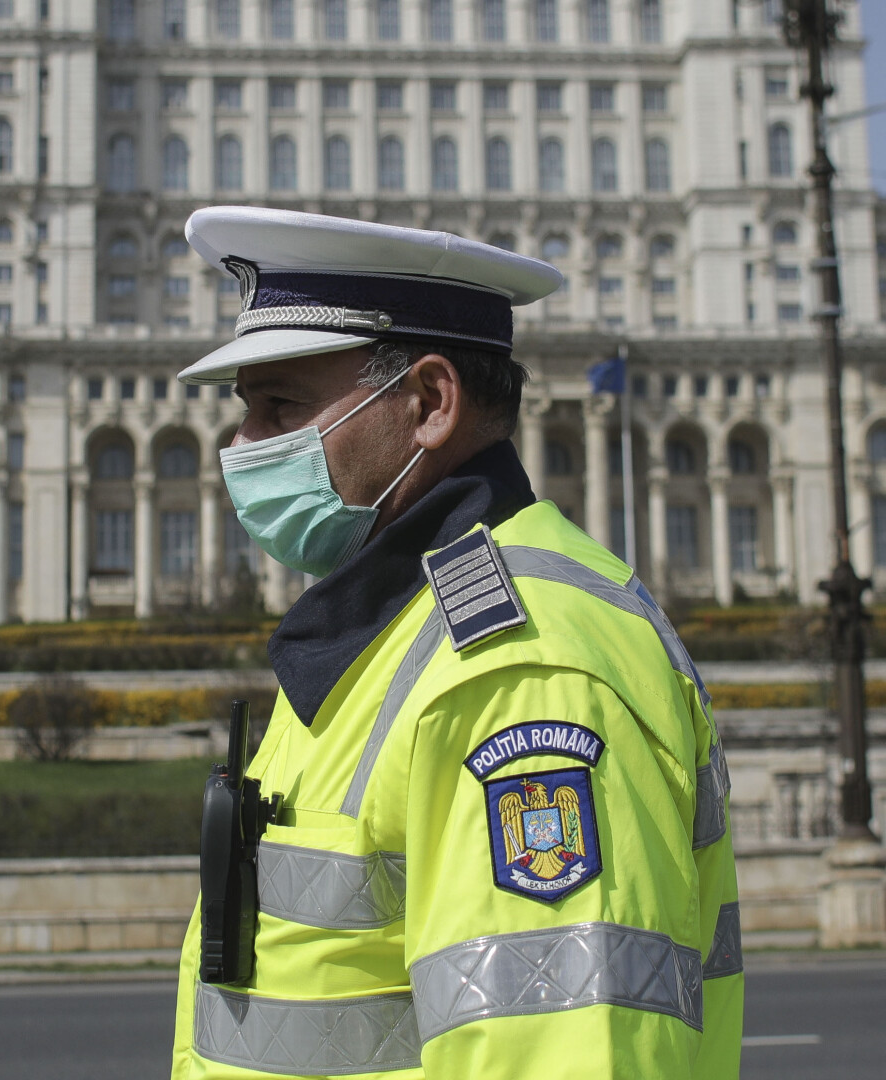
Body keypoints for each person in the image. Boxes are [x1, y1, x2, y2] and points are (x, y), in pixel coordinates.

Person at [169, 207, 741, 1079]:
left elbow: (556, 1050)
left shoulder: (515, 668)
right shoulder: (398, 630)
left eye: (280, 406)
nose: (240, 447)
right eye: (245, 411)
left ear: (429, 403)